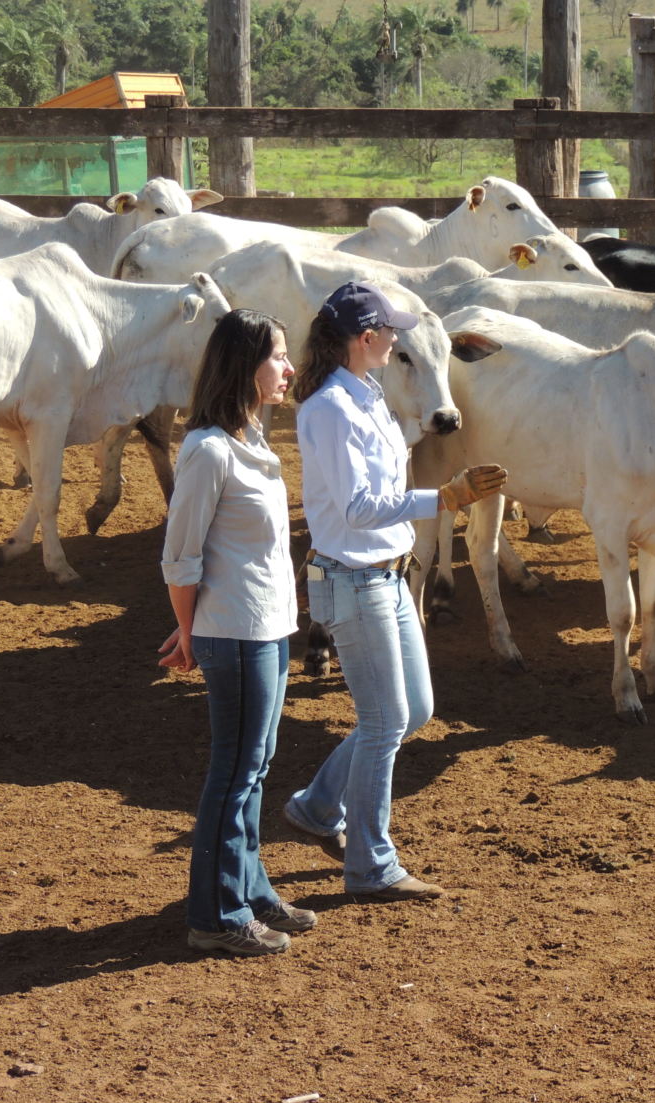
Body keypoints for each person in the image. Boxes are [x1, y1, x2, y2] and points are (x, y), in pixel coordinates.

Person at [283, 281, 505, 901]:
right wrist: (448, 497)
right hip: (355, 580)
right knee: (383, 723)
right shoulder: (329, 408)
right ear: (366, 338)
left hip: (386, 575)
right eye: (391, 331)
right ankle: (371, 864)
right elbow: (357, 507)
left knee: (415, 713)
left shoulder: (369, 397)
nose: (399, 339)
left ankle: (318, 806)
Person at [158, 308, 312, 957]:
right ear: (244, 365)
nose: (289, 368)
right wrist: (188, 631)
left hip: (269, 626)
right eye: (278, 356)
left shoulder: (249, 442)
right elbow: (180, 555)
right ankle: (215, 913)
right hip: (235, 630)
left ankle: (248, 887)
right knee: (234, 769)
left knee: (257, 763)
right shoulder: (207, 450)